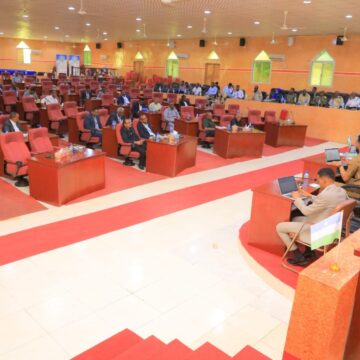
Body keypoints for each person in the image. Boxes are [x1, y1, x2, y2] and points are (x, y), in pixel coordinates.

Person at [276, 168, 348, 266]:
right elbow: (326, 201)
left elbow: (306, 211)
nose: (317, 182)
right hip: (332, 227)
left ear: (324, 180)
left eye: (318, 180)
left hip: (320, 231)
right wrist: (309, 196)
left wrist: (297, 198)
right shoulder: (341, 191)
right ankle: (309, 252)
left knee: (280, 227)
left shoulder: (325, 195)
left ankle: (298, 257)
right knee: (295, 218)